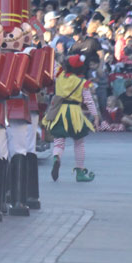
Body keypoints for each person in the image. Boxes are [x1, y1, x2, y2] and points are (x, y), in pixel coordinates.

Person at [44, 54, 97, 182]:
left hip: (59, 111)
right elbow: (89, 101)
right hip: (74, 112)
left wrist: (43, 42)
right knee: (79, 143)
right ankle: (79, 172)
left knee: (59, 140)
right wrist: (95, 115)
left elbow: (54, 63)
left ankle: (56, 157)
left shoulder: (59, 76)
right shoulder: (82, 83)